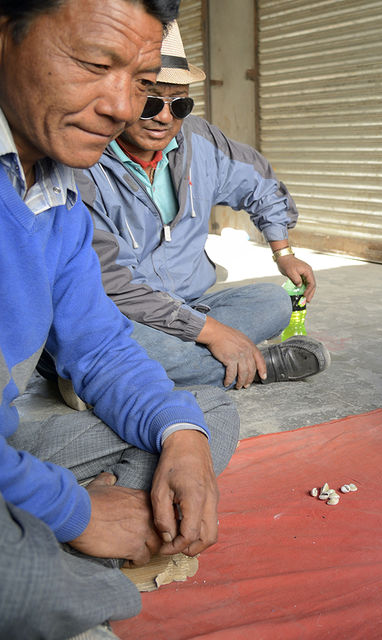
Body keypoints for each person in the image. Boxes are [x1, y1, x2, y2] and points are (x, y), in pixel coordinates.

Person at [0, 1, 241, 638]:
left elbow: (102, 349)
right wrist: (75, 510)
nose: (125, 107)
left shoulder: (56, 195)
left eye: (139, 81)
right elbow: (128, 296)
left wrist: (184, 445)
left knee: (202, 418)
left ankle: (45, 535)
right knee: (31, 590)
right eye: (93, 63)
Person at [75, 21, 329, 391]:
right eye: (149, 102)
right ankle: (255, 368)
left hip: (188, 304)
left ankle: (129, 374)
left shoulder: (200, 139)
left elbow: (260, 184)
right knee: (101, 339)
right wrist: (212, 332)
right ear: (120, 95)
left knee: (273, 300)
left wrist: (283, 252)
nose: (165, 117)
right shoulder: (83, 158)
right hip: (118, 312)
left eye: (180, 104)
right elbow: (110, 284)